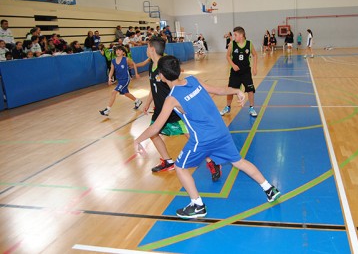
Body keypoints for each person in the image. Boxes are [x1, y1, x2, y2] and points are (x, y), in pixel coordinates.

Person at [134, 55, 281, 219]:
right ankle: (269, 188)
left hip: (202, 140)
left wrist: (138, 139)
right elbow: (218, 90)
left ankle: (197, 205)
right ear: (178, 70)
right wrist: (237, 90)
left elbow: (156, 127)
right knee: (238, 161)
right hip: (221, 132)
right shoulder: (193, 80)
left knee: (180, 167)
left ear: (161, 75)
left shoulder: (172, 98)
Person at [135, 38, 221, 180]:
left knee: (191, 136)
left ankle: (212, 161)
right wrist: (148, 102)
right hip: (159, 110)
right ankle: (167, 161)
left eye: (147, 47)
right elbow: (153, 86)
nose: (145, 50)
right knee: (153, 134)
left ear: (152, 49)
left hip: (172, 109)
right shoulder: (151, 66)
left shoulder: (165, 67)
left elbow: (177, 86)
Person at [220, 26, 258, 117]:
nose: (234, 37)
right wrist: (233, 65)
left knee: (250, 90)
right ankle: (228, 107)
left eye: (235, 35)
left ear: (241, 35)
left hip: (246, 72)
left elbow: (255, 55)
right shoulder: (232, 44)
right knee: (230, 90)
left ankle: (251, 108)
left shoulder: (249, 44)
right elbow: (228, 56)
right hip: (235, 72)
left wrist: (254, 67)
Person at [99, 46, 142, 116]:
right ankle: (138, 101)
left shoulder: (126, 59)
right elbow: (111, 71)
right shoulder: (113, 61)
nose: (118, 51)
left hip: (125, 79)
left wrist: (136, 73)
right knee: (126, 93)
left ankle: (107, 110)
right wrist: (109, 78)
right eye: (116, 50)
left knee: (113, 92)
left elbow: (133, 64)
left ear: (123, 52)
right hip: (120, 80)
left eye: (119, 50)